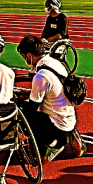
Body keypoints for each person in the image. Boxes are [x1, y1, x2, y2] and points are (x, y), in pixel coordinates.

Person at [16, 34, 85, 162]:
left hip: (56, 125)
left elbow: (32, 107)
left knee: (23, 113)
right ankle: (69, 135)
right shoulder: (55, 63)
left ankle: (50, 147)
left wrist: (18, 100)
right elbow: (53, 90)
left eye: (24, 57)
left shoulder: (41, 76)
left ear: (29, 56)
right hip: (69, 118)